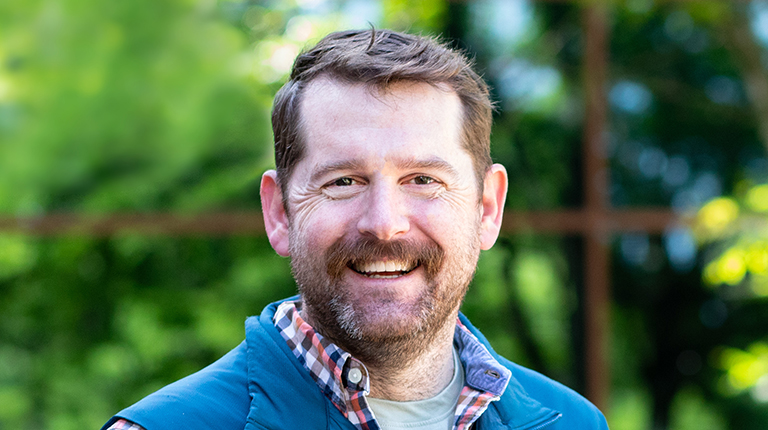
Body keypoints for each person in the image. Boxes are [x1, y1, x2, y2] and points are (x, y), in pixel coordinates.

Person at [102, 28, 609, 430]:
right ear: (279, 212)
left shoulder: (577, 424)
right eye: (343, 181)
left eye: (423, 180)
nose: (384, 223)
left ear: (487, 208)